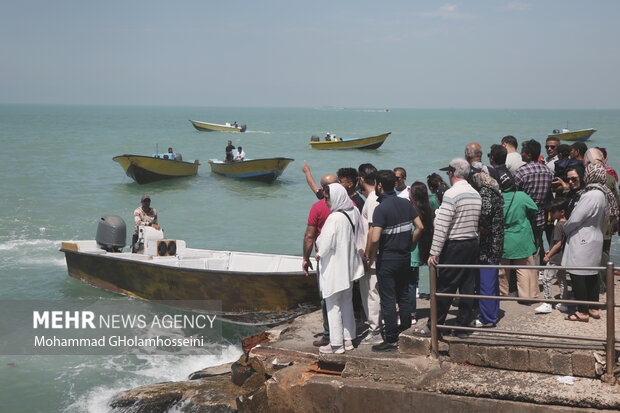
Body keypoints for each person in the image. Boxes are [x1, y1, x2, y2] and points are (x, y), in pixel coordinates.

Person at [414, 159, 481, 338]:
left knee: (444, 287)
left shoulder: (452, 194)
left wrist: (434, 252)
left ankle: (435, 325)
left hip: (455, 244)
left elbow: (442, 225)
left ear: (452, 173)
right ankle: (462, 327)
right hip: (472, 242)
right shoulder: (475, 194)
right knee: (468, 287)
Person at [366, 170, 423, 351]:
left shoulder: (380, 209)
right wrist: (410, 243)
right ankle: (405, 332)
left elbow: (375, 238)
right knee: (404, 295)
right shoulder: (405, 203)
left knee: (389, 299)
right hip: (404, 257)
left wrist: (371, 255)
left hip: (388, 258)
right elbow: (420, 226)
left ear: (380, 186)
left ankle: (391, 338)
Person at [563, 164, 619, 322]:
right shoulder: (603, 193)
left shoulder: (590, 195)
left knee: (577, 273)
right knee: (592, 274)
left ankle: (582, 311)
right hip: (595, 236)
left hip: (583, 237)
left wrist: (565, 228)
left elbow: (576, 218)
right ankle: (593, 307)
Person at [315, 184, 365, 353]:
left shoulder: (334, 218)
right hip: (349, 266)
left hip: (335, 267)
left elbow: (324, 246)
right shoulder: (354, 211)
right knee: (346, 303)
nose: (327, 202)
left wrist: (318, 248)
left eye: (328, 198)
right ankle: (348, 339)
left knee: (333, 304)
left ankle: (336, 344)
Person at [302, 173, 338, 347]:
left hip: (324, 257)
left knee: (326, 296)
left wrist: (305, 258)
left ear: (323, 189)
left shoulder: (317, 207)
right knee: (344, 294)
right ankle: (345, 331)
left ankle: (329, 334)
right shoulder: (352, 205)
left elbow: (310, 236)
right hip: (345, 256)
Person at [469, 171, 504, 327]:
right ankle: (492, 313)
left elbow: (485, 213)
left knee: (486, 282)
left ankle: (487, 318)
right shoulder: (495, 192)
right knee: (492, 282)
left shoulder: (485, 193)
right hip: (496, 243)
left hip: (488, 245)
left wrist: (481, 227)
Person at [497, 178, 539, 300]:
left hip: (504, 237)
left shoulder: (498, 198)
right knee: (525, 268)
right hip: (521, 235)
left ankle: (502, 294)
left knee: (502, 269)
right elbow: (534, 208)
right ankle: (527, 295)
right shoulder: (521, 196)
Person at [514, 139, 554, 265]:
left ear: (529, 154)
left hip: (523, 218)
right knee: (536, 248)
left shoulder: (521, 172)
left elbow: (514, 194)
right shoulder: (547, 171)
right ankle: (535, 278)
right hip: (540, 217)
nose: (521, 153)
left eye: (523, 151)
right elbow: (549, 194)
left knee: (522, 250)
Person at [357, 163, 382, 345]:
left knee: (371, 293)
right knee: (374, 293)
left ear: (361, 179)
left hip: (372, 256)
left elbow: (373, 230)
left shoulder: (372, 199)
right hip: (374, 255)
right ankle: (377, 328)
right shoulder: (376, 198)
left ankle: (375, 330)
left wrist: (367, 256)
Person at [535, 198, 569, 314]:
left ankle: (547, 302)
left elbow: (558, 243)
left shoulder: (559, 225)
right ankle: (564, 303)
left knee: (546, 279)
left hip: (555, 258)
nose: (551, 214)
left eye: (553, 212)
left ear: (562, 212)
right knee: (562, 280)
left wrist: (548, 255)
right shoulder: (567, 224)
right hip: (563, 258)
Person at [408, 181, 434, 326]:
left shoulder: (412, 210)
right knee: (420, 282)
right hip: (424, 251)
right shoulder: (428, 209)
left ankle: (411, 313)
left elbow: (416, 229)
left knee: (410, 285)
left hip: (412, 252)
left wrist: (409, 243)